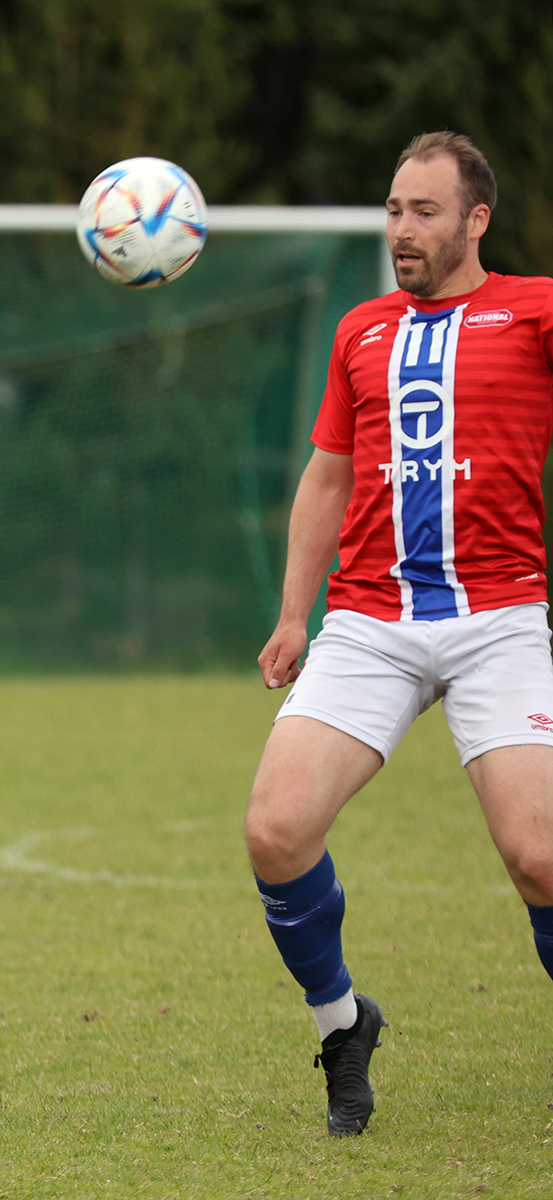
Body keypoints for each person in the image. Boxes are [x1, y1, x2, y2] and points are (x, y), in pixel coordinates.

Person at [246, 131, 553, 1137]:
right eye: (392, 210)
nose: (401, 230)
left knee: (541, 857)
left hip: (499, 617)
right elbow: (328, 474)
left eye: (424, 212)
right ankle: (343, 1027)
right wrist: (297, 613)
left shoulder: (534, 311)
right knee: (276, 831)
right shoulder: (361, 331)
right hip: (370, 621)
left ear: (477, 220)